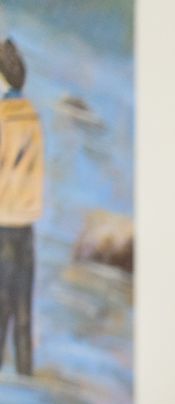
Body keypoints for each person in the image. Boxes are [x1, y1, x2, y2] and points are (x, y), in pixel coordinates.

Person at [0, 37, 42, 376]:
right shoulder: (32, 117)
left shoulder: (2, 119)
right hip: (26, 222)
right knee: (23, 304)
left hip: (2, 221)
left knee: (0, 303)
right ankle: (26, 369)